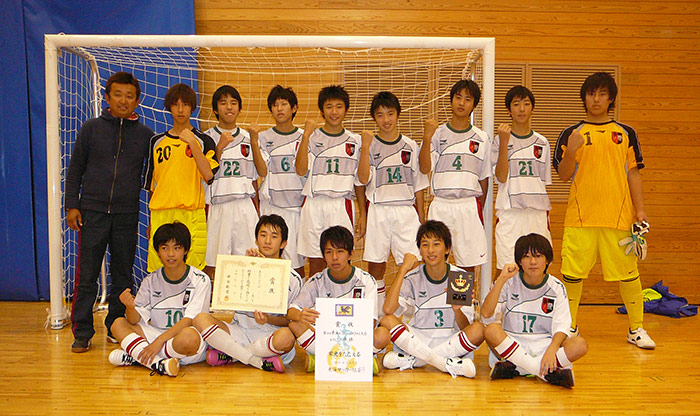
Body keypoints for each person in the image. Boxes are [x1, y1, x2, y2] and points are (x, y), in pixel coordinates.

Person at [553, 72, 655, 349]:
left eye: (602, 94)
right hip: (580, 218)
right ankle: (570, 327)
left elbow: (634, 173)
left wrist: (640, 210)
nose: (596, 99)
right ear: (584, 98)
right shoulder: (572, 134)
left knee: (629, 274)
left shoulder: (626, 133)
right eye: (591, 94)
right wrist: (571, 151)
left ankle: (636, 328)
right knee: (572, 275)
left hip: (618, 219)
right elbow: (563, 175)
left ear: (611, 99)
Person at [65, 71, 154, 353]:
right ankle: (82, 331)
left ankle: (116, 325)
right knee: (87, 275)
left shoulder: (146, 136)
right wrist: (72, 205)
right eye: (118, 95)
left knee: (123, 275)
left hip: (127, 215)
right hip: (92, 212)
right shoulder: (91, 128)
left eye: (129, 96)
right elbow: (75, 169)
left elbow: (153, 178)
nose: (123, 100)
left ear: (137, 101)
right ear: (107, 97)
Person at [193, 214, 302, 373]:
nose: (267, 241)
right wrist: (246, 266)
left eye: (274, 236)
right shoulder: (241, 265)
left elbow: (291, 322)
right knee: (200, 319)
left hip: (270, 336)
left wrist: (268, 319)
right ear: (256, 239)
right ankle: (257, 360)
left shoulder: (293, 279)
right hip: (239, 331)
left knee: (286, 338)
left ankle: (232, 355)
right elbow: (225, 297)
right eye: (263, 235)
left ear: (283, 243)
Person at [481, 233, 588, 388]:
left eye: (538, 256)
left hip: (545, 347)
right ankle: (542, 371)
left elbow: (562, 326)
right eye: (526, 257)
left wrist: (552, 349)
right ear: (519, 261)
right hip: (513, 347)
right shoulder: (509, 282)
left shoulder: (556, 287)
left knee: (580, 344)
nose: (532, 262)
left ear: (547, 260)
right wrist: (501, 279)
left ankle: (518, 368)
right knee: (491, 330)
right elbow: (485, 314)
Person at [380, 220, 483, 378]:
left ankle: (417, 361)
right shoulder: (412, 277)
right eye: (425, 245)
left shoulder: (459, 277)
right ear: (420, 250)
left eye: (436, 244)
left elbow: (465, 327)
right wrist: (402, 270)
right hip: (417, 340)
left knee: (478, 329)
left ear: (447, 248)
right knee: (387, 320)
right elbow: (388, 310)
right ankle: (444, 363)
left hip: (450, 341)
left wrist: (457, 310)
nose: (430, 250)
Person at [108, 222, 212, 377]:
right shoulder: (150, 280)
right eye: (165, 248)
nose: (171, 254)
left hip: (184, 343)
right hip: (156, 335)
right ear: (157, 251)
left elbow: (189, 320)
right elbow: (135, 319)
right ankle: (159, 363)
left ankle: (138, 356)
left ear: (186, 250)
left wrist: (158, 343)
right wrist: (130, 307)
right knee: (117, 324)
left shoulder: (200, 279)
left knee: (188, 337)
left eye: (176, 248)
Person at [357, 91, 428, 310]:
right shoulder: (368, 145)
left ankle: (408, 313)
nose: (386, 120)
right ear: (374, 118)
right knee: (376, 266)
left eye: (390, 114)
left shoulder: (410, 145)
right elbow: (362, 180)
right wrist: (362, 214)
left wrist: (422, 216)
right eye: (380, 115)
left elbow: (418, 184)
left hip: (406, 210)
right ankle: (377, 314)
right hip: (378, 209)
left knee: (412, 264)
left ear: (398, 115)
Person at [287, 226, 389, 374]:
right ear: (323, 255)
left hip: (355, 337)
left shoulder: (366, 281)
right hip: (326, 337)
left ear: (351, 254)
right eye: (329, 252)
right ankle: (361, 360)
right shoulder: (317, 281)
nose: (334, 257)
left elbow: (371, 322)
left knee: (383, 334)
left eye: (340, 251)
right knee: (295, 325)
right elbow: (291, 311)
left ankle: (321, 359)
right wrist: (300, 315)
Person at [144, 83, 218, 273]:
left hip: (192, 213)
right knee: (159, 270)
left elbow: (208, 175)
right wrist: (151, 222)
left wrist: (192, 142)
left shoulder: (204, 140)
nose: (180, 109)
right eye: (175, 104)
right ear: (169, 107)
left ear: (192, 108)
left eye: (185, 104)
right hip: (161, 213)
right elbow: (153, 185)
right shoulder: (156, 142)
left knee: (193, 269)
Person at [418, 79, 491, 272]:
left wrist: (477, 207)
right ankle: (436, 294)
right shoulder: (437, 134)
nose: (461, 103)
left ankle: (463, 295)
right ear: (451, 100)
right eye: (458, 97)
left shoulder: (482, 138)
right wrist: (426, 137)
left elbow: (484, 179)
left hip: (468, 205)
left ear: (474, 105)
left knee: (467, 266)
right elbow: (424, 168)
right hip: (441, 204)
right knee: (434, 263)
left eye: (467, 99)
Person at [295, 85, 367, 277]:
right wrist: (305, 136)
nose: (334, 112)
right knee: (316, 263)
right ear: (321, 110)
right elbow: (300, 170)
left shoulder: (356, 141)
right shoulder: (311, 137)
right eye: (329, 107)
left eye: (338, 106)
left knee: (341, 262)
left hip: (340, 205)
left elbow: (360, 182)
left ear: (346, 109)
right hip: (314, 203)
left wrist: (363, 213)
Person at [203, 85, 261, 279]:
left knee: (249, 262)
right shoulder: (206, 138)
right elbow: (205, 174)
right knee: (213, 264)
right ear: (215, 109)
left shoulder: (249, 137)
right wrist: (219, 148)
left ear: (239, 108)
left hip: (244, 205)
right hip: (218, 206)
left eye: (233, 103)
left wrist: (258, 210)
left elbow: (256, 178)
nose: (229, 107)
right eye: (223, 103)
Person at [492, 86, 552, 274]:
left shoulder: (542, 142)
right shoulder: (499, 141)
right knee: (506, 269)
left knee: (538, 269)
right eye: (516, 104)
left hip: (536, 213)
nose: (522, 109)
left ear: (532, 108)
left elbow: (543, 182)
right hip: (510, 213)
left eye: (526, 104)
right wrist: (504, 143)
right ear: (509, 109)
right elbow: (501, 177)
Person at [254, 85, 307, 278]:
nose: (279, 108)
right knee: (267, 261)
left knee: (296, 265)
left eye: (284, 104)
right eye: (275, 105)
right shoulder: (263, 137)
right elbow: (261, 171)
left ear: (294, 108)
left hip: (295, 209)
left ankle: (296, 296)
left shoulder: (305, 137)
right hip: (271, 208)